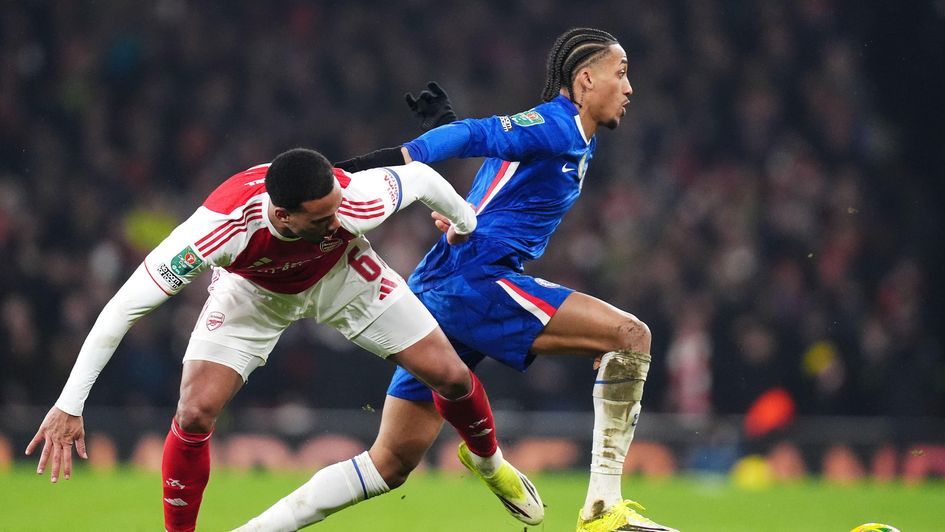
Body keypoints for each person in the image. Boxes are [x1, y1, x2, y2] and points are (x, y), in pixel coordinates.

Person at [241, 28, 678, 532]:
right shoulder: (556, 126)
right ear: (584, 79)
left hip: (439, 287)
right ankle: (602, 510)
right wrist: (372, 166)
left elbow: (495, 173)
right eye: (620, 74)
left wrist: (451, 161)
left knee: (390, 463)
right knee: (630, 337)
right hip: (475, 283)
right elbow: (477, 134)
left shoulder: (570, 138)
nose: (629, 88)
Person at [25, 148, 543, 531]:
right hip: (254, 291)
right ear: (282, 213)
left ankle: (489, 463)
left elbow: (424, 177)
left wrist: (464, 221)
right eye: (322, 217)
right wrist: (70, 404)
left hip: (343, 275)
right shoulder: (218, 229)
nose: (338, 218)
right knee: (194, 411)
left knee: (452, 376)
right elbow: (124, 307)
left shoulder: (355, 202)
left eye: (338, 208)